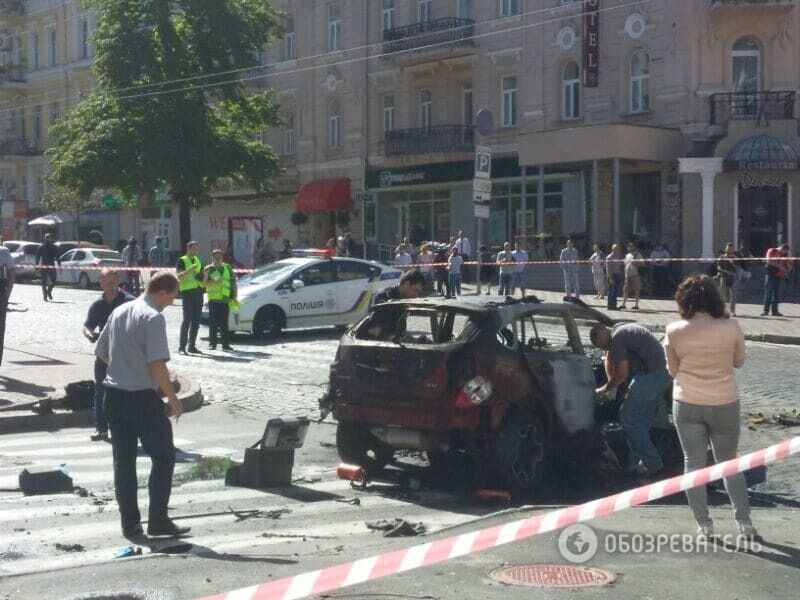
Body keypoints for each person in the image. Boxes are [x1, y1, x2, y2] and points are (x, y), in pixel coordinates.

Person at [95, 272, 188, 539]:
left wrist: (123, 367)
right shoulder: (152, 317)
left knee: (123, 463)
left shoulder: (120, 310)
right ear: (162, 292)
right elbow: (157, 365)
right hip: (141, 398)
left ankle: (130, 525)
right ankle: (158, 521)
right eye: (172, 297)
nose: (171, 303)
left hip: (112, 395)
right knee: (163, 457)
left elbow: (101, 352)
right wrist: (173, 399)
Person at [663, 275, 757, 540]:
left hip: (687, 401)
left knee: (693, 463)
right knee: (728, 462)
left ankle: (704, 525)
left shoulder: (674, 330)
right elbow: (739, 361)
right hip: (724, 401)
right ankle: (744, 522)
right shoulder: (732, 326)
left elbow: (672, 370)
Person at [591, 322, 672, 476]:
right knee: (641, 422)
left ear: (605, 340)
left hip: (651, 376)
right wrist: (613, 386)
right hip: (662, 373)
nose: (606, 350)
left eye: (604, 347)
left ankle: (653, 464)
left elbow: (622, 374)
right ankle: (636, 464)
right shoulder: (619, 330)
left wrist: (603, 389)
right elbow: (609, 359)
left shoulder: (617, 339)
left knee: (628, 419)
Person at [83, 269, 134, 441]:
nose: (110, 286)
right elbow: (87, 325)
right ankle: (101, 428)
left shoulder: (129, 301)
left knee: (125, 391)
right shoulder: (98, 305)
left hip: (125, 354)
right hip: (104, 354)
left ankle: (125, 427)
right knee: (100, 390)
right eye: (106, 282)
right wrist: (89, 334)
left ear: (118, 281)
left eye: (113, 282)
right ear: (101, 283)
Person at [202, 249, 237, 351]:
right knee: (213, 323)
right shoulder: (209, 269)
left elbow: (233, 281)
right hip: (214, 300)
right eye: (216, 257)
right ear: (212, 258)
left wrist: (235, 295)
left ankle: (225, 345)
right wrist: (210, 279)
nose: (218, 259)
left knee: (224, 324)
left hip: (225, 300)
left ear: (222, 258)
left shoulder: (227, 267)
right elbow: (204, 284)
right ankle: (212, 344)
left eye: (219, 257)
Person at [176, 241, 204, 355]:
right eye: (193, 249)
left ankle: (192, 345)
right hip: (187, 293)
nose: (195, 251)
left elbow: (201, 276)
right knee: (187, 320)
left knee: (196, 321)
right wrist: (190, 270)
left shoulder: (198, 260)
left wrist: (204, 275)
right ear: (188, 248)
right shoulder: (182, 260)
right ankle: (182, 347)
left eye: (197, 249)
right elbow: (179, 276)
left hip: (198, 292)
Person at [762, 242, 791, 317]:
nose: (784, 253)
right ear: (782, 248)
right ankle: (765, 311)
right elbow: (769, 261)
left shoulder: (785, 255)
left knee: (777, 295)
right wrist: (780, 266)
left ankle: (775, 311)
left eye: (786, 252)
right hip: (770, 275)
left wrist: (788, 268)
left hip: (779, 276)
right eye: (784, 251)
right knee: (768, 293)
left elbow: (788, 265)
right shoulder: (772, 250)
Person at [0, 243, 16, 367]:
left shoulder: (3, 251)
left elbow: (11, 274)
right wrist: (7, 295)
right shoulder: (4, 251)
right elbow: (11, 274)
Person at [716, 242, 740, 317]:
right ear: (726, 249)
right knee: (722, 295)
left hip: (733, 278)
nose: (729, 250)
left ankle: (732, 311)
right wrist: (725, 271)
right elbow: (718, 268)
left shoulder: (735, 258)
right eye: (728, 248)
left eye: (730, 248)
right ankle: (722, 311)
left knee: (733, 295)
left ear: (733, 249)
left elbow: (737, 268)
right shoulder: (721, 257)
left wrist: (732, 263)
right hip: (724, 277)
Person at [35, 233, 60, 302]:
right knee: (44, 281)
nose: (48, 239)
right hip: (45, 265)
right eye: (47, 238)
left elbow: (58, 256)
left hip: (50, 265)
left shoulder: (54, 247)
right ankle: (45, 295)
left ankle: (48, 291)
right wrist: (36, 265)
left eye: (49, 238)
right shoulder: (42, 247)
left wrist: (59, 265)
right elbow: (37, 257)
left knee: (53, 281)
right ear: (46, 238)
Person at [621, 242, 643, 310]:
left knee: (636, 290)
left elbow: (642, 264)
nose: (629, 248)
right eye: (628, 246)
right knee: (625, 290)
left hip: (635, 275)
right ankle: (623, 304)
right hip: (627, 276)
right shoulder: (627, 255)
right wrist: (625, 274)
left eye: (631, 246)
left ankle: (636, 305)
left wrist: (635, 263)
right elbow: (625, 265)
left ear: (634, 247)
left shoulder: (638, 255)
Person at [606, 244, 624, 310]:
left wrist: (621, 275)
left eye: (618, 249)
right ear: (612, 249)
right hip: (612, 275)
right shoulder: (609, 257)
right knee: (611, 291)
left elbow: (620, 266)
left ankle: (614, 305)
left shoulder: (618, 257)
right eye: (616, 248)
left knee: (615, 291)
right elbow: (608, 269)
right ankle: (610, 306)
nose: (617, 250)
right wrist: (610, 278)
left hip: (617, 275)